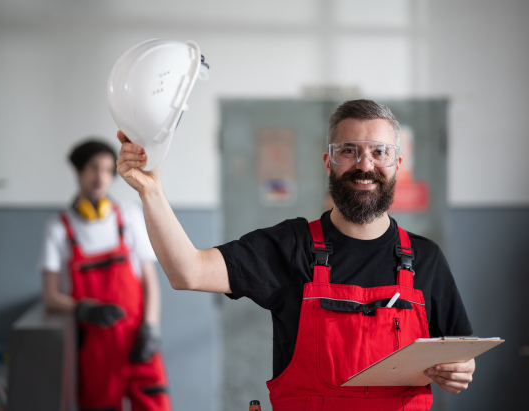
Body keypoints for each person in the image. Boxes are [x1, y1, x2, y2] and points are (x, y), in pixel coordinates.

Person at [116, 99, 475, 410]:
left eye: (379, 152)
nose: (365, 165)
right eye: (349, 150)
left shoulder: (426, 259)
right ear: (328, 162)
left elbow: (460, 354)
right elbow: (188, 272)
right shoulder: (291, 247)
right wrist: (151, 191)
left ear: (397, 163)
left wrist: (460, 371)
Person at [39, 139, 172, 411]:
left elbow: (150, 282)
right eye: (93, 168)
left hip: (137, 340)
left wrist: (151, 327)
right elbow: (50, 296)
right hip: (95, 349)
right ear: (78, 172)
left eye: (108, 170)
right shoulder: (58, 228)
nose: (101, 177)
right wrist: (83, 309)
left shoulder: (129, 216)